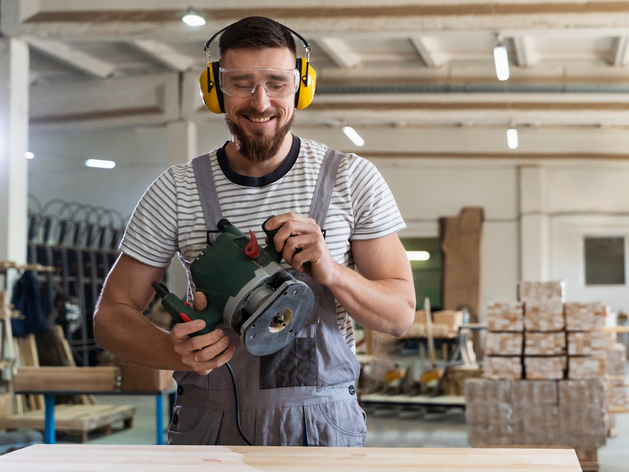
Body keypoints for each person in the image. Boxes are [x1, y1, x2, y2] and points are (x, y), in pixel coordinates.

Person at [93, 16, 415, 447]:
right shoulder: (177, 189)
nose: (260, 102)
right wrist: (171, 350)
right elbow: (110, 315)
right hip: (210, 429)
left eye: (277, 83)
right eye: (241, 83)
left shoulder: (350, 179)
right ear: (216, 89)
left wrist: (333, 271)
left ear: (301, 87)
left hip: (321, 429)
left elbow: (399, 316)